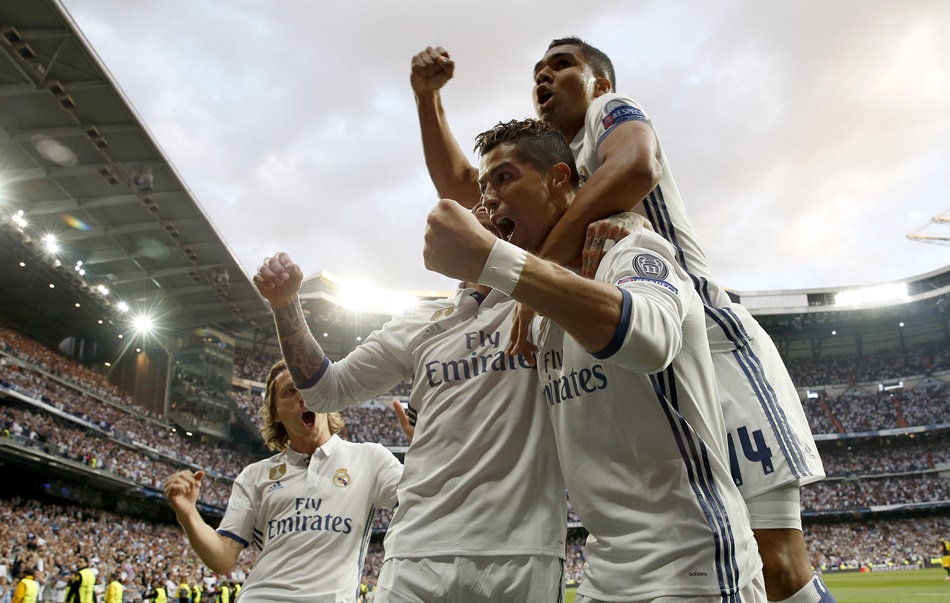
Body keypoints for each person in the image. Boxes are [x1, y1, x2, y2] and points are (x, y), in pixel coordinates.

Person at [411, 39, 832, 603]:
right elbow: (473, 193)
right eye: (537, 69)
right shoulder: (556, 169)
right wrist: (427, 101)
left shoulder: (608, 115)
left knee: (777, 562)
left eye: (563, 65)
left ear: (600, 84)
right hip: (622, 360)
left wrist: (531, 278)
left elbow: (638, 165)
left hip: (708, 341)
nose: (545, 75)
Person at [424, 117, 765, 601]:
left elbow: (650, 340)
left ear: (559, 179)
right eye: (483, 187)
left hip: (694, 567)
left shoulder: (630, 246)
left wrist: (496, 262)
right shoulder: (535, 314)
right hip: (603, 574)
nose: (488, 198)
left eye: (504, 177)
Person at [254, 241, 567, 602]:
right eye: (480, 200)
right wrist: (285, 304)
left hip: (523, 548)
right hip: (416, 551)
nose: (489, 204)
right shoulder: (418, 320)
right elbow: (326, 390)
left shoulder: (549, 297)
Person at [164, 359, 402, 602]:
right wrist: (188, 515)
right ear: (276, 412)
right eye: (291, 391)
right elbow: (223, 557)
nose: (304, 397)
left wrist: (425, 449)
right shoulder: (254, 476)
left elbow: (424, 496)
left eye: (310, 387)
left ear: (325, 397)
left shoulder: (369, 458)